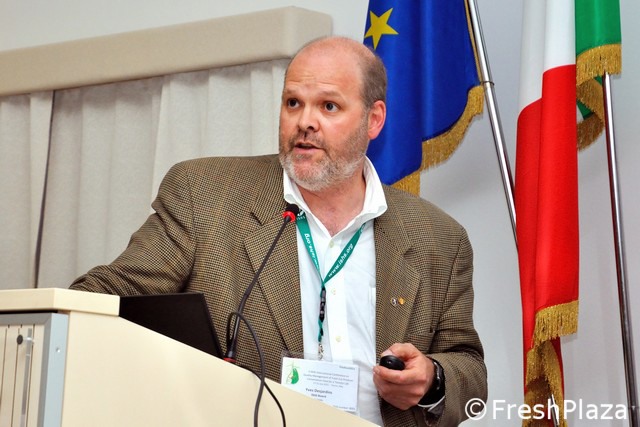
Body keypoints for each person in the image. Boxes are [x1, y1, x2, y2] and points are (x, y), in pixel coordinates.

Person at [71, 36, 487, 426]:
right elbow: (106, 296)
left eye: (328, 106)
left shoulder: (439, 237)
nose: (305, 122)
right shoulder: (206, 196)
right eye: (293, 103)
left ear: (373, 119)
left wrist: (432, 378)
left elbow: (468, 367)